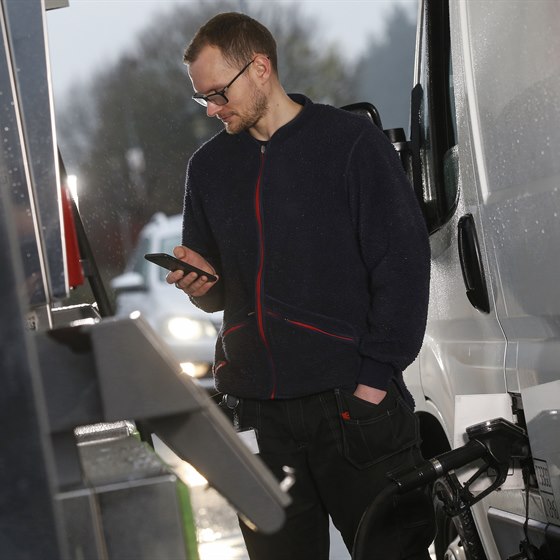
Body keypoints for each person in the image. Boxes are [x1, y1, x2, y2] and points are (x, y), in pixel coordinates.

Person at [167, 12, 435, 560]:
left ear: (260, 67)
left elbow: (403, 265)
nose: (213, 109)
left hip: (354, 407)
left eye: (219, 93)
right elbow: (220, 290)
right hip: (263, 417)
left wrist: (374, 380)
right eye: (203, 100)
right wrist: (201, 287)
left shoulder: (350, 144)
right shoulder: (208, 168)